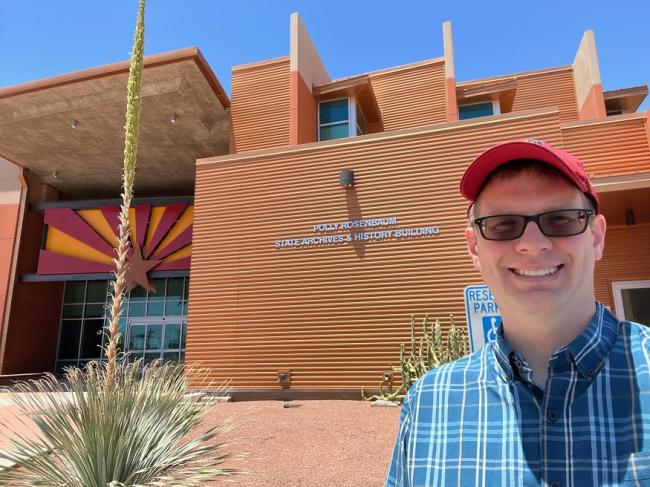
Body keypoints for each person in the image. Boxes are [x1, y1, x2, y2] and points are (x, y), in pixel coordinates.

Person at [385, 139, 650, 487]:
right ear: (474, 248)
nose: (532, 243)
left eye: (560, 219)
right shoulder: (428, 403)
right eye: (502, 224)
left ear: (597, 237)